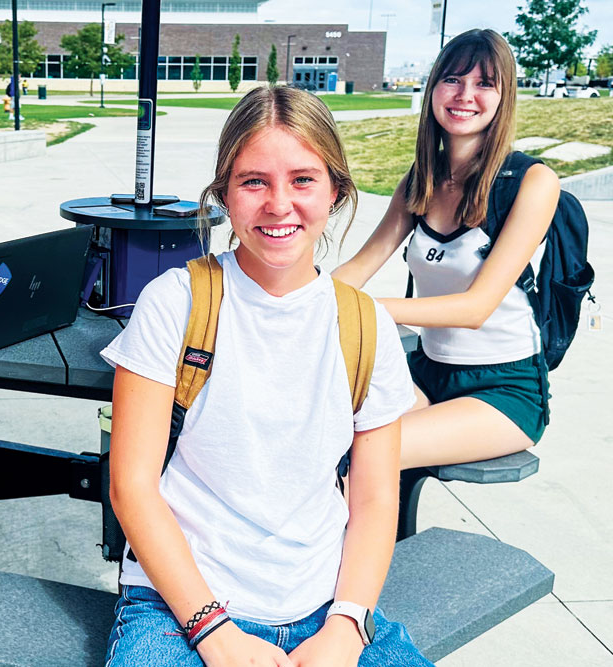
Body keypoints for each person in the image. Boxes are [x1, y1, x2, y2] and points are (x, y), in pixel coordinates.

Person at [101, 86, 430, 667]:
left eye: (303, 180)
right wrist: (213, 631)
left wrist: (348, 625)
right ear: (224, 194)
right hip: (180, 608)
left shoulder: (366, 325)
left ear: (336, 190)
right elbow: (131, 487)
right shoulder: (176, 301)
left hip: (325, 607)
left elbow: (377, 498)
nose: (279, 204)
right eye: (254, 181)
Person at [332, 29, 559, 470]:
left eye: (484, 83)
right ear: (434, 87)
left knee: (364, 453)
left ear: (504, 96)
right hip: (427, 371)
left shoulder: (533, 182)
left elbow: (475, 308)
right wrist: (297, 297)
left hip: (503, 389)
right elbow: (360, 266)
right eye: (453, 79)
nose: (465, 95)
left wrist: (363, 309)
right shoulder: (422, 178)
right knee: (312, 427)